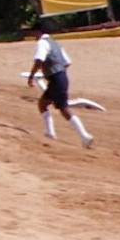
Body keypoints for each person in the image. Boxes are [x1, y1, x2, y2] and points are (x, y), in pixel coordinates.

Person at [28, 20, 94, 149]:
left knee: (63, 108)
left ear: (38, 31)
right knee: (43, 103)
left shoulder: (42, 43)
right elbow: (67, 62)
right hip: (61, 76)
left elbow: (39, 60)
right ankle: (50, 132)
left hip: (56, 78)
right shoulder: (55, 43)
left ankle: (84, 136)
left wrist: (32, 75)